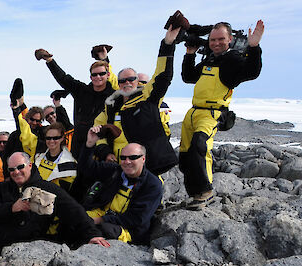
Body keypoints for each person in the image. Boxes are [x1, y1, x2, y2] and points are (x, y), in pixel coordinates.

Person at [0, 152, 108, 266]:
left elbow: (74, 210)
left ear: (30, 165)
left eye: (20, 167)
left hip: (29, 239)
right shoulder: (2, 187)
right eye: (12, 169)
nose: (16, 172)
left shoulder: (47, 188)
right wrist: (12, 208)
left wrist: (92, 234)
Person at [179, 19, 264, 209]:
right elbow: (188, 77)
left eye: (221, 39)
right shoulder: (209, 59)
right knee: (185, 155)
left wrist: (254, 47)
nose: (216, 43)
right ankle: (195, 194)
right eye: (212, 40)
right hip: (192, 113)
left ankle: (206, 191)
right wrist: (190, 54)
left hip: (212, 113)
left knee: (200, 146)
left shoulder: (233, 59)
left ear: (230, 39)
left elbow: (252, 71)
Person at [91, 26, 181, 175]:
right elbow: (97, 131)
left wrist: (168, 44)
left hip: (147, 166)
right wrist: (105, 152)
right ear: (118, 84)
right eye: (123, 80)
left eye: (131, 79)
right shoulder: (112, 107)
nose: (127, 83)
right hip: (119, 167)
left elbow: (163, 76)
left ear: (137, 81)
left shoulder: (147, 99)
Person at [81, 129, 164, 244]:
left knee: (103, 230)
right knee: (75, 218)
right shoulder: (115, 170)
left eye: (133, 157)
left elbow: (137, 219)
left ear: (143, 159)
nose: (127, 161)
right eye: (123, 158)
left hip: (128, 229)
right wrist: (89, 145)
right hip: (102, 214)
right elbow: (86, 168)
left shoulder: (152, 185)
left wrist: (100, 220)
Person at [37, 50, 117, 159]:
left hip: (102, 147)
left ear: (108, 75)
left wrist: (104, 59)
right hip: (79, 145)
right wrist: (49, 60)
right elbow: (64, 78)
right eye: (94, 74)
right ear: (90, 77)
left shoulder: (114, 97)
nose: (98, 77)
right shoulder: (82, 91)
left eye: (101, 74)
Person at [34, 123, 78, 192]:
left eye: (55, 138)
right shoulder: (38, 157)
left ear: (62, 138)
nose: (51, 141)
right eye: (48, 138)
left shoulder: (70, 163)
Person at [138, 73, 171, 137]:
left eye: (143, 82)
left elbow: (164, 127)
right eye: (137, 82)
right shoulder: (123, 102)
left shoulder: (161, 105)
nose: (140, 85)